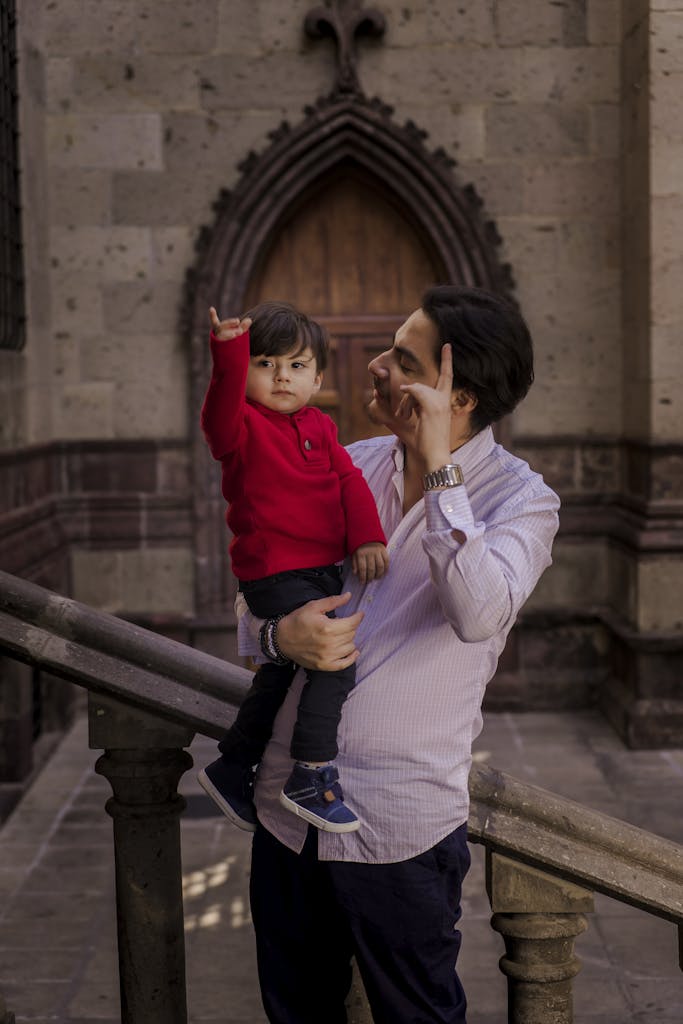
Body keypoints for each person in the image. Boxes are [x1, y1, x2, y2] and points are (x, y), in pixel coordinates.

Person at [236, 285, 561, 1024]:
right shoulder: (343, 460)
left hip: (400, 831)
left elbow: (476, 612)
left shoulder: (523, 501)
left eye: (401, 359)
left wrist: (439, 465)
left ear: (460, 396)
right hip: (286, 811)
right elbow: (258, 584)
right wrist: (271, 637)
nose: (373, 365)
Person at [198, 300, 389, 834]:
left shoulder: (321, 427)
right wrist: (229, 353)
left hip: (321, 570)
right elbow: (215, 414)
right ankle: (311, 773)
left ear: (318, 377)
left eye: (297, 365)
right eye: (266, 363)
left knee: (281, 673)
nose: (282, 375)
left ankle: (234, 765)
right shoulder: (240, 425)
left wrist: (367, 536)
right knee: (335, 660)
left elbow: (349, 481)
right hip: (275, 571)